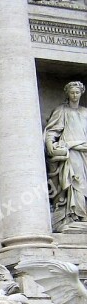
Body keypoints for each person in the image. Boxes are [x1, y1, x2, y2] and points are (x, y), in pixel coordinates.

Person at [44, 81, 87, 230]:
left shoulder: (85, 112)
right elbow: (52, 131)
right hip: (72, 153)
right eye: (72, 93)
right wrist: (50, 145)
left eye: (77, 92)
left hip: (85, 152)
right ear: (67, 94)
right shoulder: (62, 110)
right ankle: (76, 216)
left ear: (81, 93)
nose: (75, 95)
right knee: (76, 184)